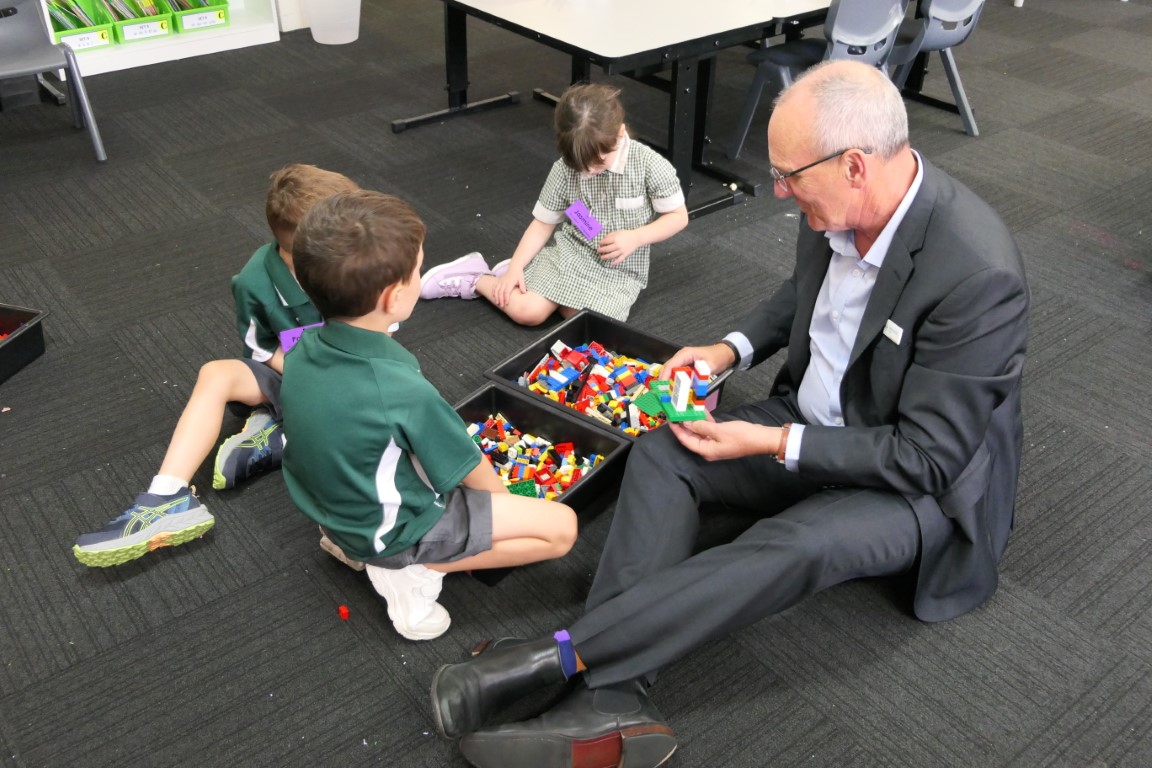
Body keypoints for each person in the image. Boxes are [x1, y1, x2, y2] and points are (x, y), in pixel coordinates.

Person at [428, 59, 1030, 768]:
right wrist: (727, 350)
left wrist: (773, 442)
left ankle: (555, 656)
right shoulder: (833, 203)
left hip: (911, 484)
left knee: (792, 544)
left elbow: (929, 456)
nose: (777, 191)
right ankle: (612, 698)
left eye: (788, 176)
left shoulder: (977, 273)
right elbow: (802, 292)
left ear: (855, 166)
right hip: (811, 416)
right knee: (664, 450)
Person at [280, 190, 579, 641]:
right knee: (561, 529)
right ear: (393, 297)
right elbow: (476, 474)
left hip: (332, 505)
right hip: (391, 532)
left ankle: (350, 542)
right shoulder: (400, 391)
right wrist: (513, 505)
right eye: (418, 270)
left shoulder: (300, 347)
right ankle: (415, 569)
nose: (422, 276)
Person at [73, 164, 359, 568]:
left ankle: (281, 433)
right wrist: (306, 375)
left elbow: (380, 333)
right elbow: (261, 348)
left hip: (350, 374)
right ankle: (167, 496)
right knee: (215, 373)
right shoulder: (255, 279)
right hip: (290, 370)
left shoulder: (357, 263)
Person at [418, 83, 689, 325]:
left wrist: (636, 237)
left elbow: (678, 216)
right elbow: (542, 224)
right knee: (528, 313)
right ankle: (477, 277)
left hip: (620, 270)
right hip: (572, 252)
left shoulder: (649, 165)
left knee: (589, 324)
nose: (590, 171)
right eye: (581, 164)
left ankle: (530, 276)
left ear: (620, 134)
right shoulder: (564, 169)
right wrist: (516, 268)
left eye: (599, 162)